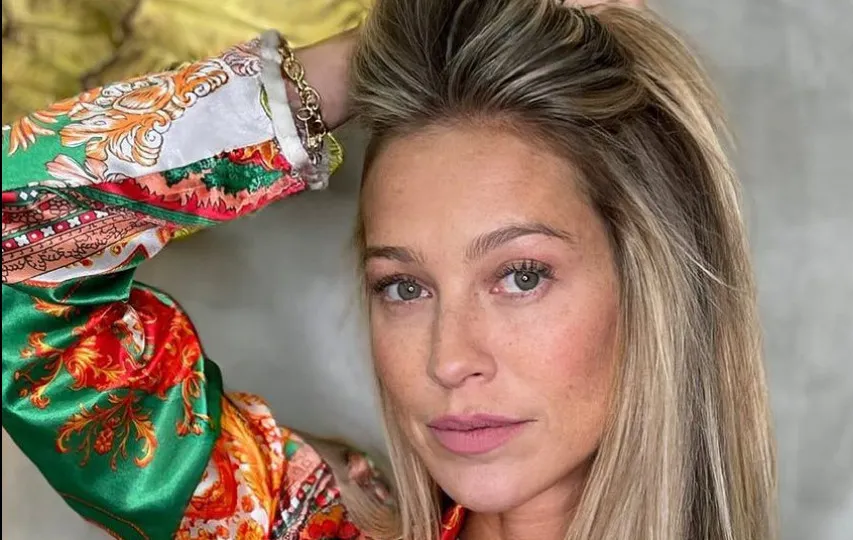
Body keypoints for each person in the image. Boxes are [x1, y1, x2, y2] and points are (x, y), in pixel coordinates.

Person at [0, 0, 777, 538]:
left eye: (520, 276)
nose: (449, 359)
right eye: (404, 287)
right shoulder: (291, 523)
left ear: (651, 287)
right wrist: (352, 67)